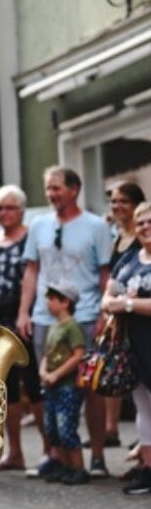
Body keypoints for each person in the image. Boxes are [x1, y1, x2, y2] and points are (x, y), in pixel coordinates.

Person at [17, 166, 113, 478]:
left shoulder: (96, 226)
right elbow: (31, 270)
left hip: (84, 314)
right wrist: (24, 312)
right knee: (50, 385)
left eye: (57, 188)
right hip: (45, 317)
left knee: (90, 387)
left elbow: (104, 274)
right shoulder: (39, 225)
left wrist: (104, 314)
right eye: (48, 188)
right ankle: (56, 455)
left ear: (74, 189)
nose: (51, 194)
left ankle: (96, 456)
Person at [0, 184, 47, 471]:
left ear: (21, 210)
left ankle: (49, 449)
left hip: (22, 316)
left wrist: (25, 312)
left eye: (9, 207)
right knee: (3, 387)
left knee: (33, 385)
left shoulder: (28, 240)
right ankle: (16, 452)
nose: (3, 213)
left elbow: (32, 278)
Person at [102, 201, 151, 494]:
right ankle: (148, 468)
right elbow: (108, 296)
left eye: (150, 221)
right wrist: (114, 304)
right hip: (133, 346)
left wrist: (129, 304)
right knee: (143, 407)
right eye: (141, 222)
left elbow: (122, 301)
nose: (145, 227)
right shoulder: (130, 259)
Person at [104, 182, 146, 449]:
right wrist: (112, 304)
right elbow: (112, 287)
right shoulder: (122, 248)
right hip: (131, 332)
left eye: (124, 201)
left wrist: (127, 304)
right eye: (114, 201)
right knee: (142, 401)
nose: (118, 206)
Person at [38, 283, 88, 485]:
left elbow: (79, 355)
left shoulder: (72, 326)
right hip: (52, 385)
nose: (48, 303)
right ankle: (65, 466)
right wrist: (43, 371)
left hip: (68, 385)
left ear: (66, 302)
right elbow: (48, 354)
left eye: (52, 299)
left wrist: (57, 374)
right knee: (53, 429)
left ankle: (78, 468)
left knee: (66, 427)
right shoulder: (53, 327)